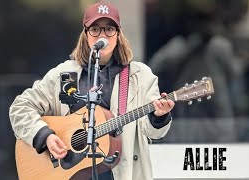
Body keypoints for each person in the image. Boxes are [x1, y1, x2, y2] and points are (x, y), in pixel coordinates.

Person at [9, 2, 174, 180]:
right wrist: (45, 136)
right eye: (95, 29)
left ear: (118, 34)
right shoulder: (65, 74)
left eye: (109, 29)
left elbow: (153, 133)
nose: (102, 35)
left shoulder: (140, 76)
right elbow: (20, 107)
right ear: (86, 35)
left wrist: (159, 117)